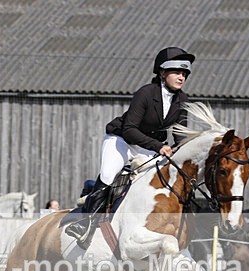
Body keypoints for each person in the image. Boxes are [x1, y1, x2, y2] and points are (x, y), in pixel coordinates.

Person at [66, 46, 195, 245]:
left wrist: (184, 150)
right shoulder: (145, 93)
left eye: (184, 73)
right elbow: (130, 129)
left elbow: (180, 134)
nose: (181, 77)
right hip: (122, 140)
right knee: (109, 174)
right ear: (162, 73)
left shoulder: (183, 100)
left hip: (149, 147)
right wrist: (158, 146)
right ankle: (85, 223)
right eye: (177, 72)